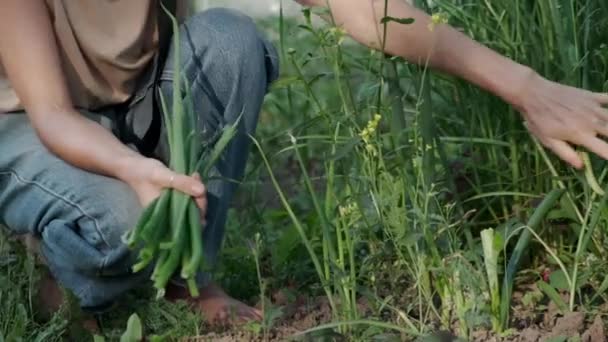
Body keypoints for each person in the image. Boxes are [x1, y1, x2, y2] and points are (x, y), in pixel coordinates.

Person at [0, 0, 606, 326]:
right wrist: (138, 173)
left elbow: (367, 10)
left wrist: (527, 88)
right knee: (118, 225)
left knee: (232, 41)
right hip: (31, 122)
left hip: (135, 108)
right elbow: (53, 114)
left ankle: (191, 281)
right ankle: (59, 274)